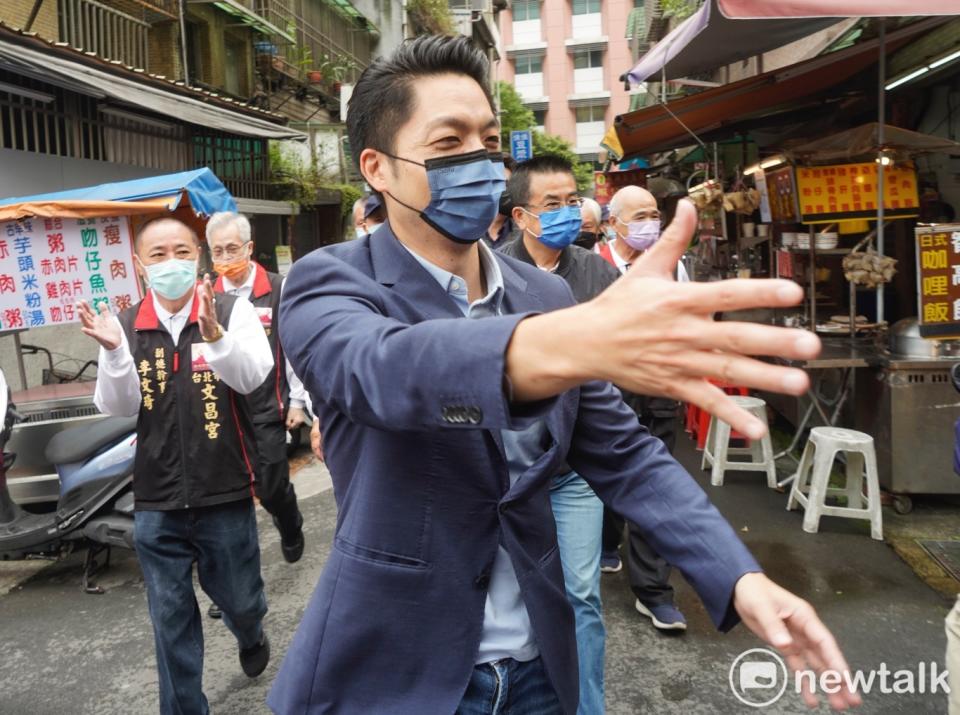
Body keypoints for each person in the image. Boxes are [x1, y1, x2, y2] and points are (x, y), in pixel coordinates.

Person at [269, 35, 859, 715]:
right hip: (400, 670)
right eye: (449, 141)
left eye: (488, 139)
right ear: (378, 167)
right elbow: (385, 369)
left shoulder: (545, 295)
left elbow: (626, 456)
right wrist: (575, 338)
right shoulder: (328, 282)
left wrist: (741, 576)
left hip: (537, 668)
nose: (479, 160)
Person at [79, 217, 274, 714]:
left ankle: (249, 631)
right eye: (159, 255)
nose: (172, 264)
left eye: (183, 252)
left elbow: (252, 378)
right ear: (142, 267)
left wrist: (215, 336)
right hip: (157, 499)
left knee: (241, 599)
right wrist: (116, 354)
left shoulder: (233, 310)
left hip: (223, 491)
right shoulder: (123, 325)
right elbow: (119, 406)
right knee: (170, 621)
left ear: (199, 259)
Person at [499, 155, 621, 714]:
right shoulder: (494, 274)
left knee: (581, 596)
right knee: (513, 601)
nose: (568, 212)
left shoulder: (598, 275)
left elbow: (625, 359)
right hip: (511, 473)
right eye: (553, 204)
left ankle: (585, 707)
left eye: (573, 200)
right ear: (522, 216)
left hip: (575, 472)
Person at [599, 185, 690, 633]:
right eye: (639, 216)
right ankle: (606, 540)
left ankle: (654, 592)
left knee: (655, 486)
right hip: (609, 393)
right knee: (610, 476)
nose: (650, 223)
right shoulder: (594, 266)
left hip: (658, 389)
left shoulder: (673, 265)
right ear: (613, 223)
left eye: (655, 214)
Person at [207, 212, 307, 566]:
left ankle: (289, 520)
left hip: (267, 404)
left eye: (232, 249)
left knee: (270, 486)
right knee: (228, 494)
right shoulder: (206, 297)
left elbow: (293, 346)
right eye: (217, 251)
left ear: (249, 248)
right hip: (220, 408)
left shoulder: (279, 288)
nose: (225, 258)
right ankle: (232, 575)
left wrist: (298, 400)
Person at [483, 152, 517, 250]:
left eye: (505, 184)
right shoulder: (465, 231)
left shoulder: (526, 229)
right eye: (495, 182)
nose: (500, 190)